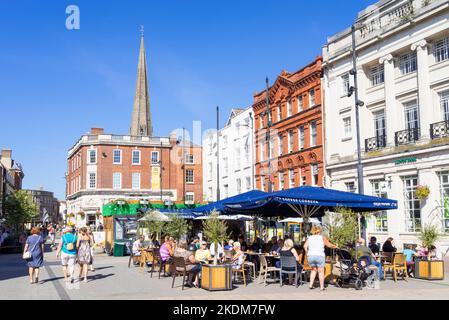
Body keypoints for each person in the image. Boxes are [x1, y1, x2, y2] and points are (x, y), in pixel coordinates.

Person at [304, 226, 337, 291]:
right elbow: (328, 245)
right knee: (321, 272)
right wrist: (335, 246)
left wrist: (308, 252)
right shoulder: (322, 237)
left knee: (313, 270)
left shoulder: (309, 238)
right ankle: (322, 287)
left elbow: (305, 246)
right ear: (320, 231)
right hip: (319, 255)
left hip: (311, 256)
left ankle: (310, 285)